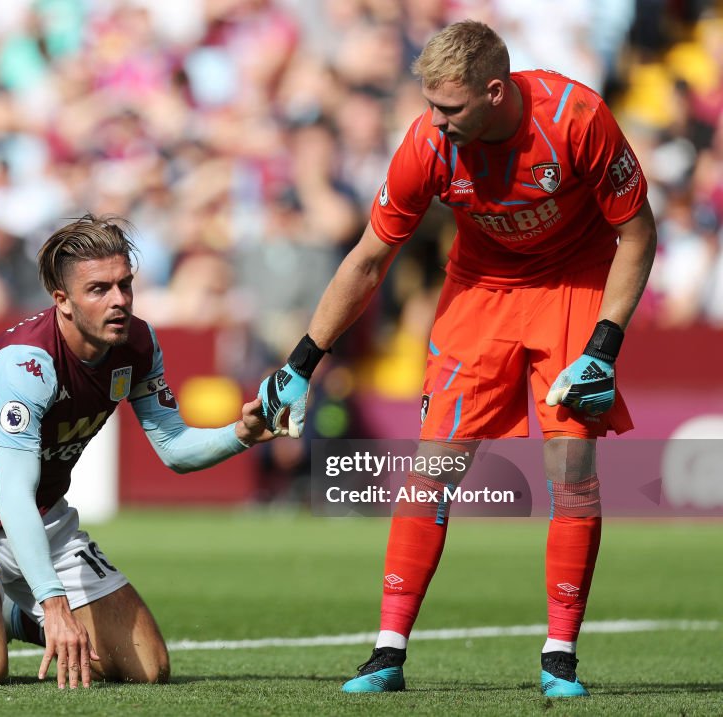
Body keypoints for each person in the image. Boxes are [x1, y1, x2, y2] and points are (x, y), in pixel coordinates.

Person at [259, 20, 656, 698]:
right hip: (480, 291)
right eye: (431, 107)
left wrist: (604, 345)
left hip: (574, 284)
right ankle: (387, 653)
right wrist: (302, 362)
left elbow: (638, 231)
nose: (435, 123)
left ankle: (559, 656)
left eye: (450, 108)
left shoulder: (578, 118)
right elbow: (368, 259)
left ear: (495, 92)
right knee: (431, 470)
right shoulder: (426, 144)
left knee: (573, 469)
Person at [0, 214, 274, 688]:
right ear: (62, 301)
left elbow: (173, 449)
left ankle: (8, 616)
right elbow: (13, 498)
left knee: (147, 668)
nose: (119, 301)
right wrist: (54, 603)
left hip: (44, 522)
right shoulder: (26, 366)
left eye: (125, 285)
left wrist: (242, 433)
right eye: (99, 289)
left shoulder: (138, 344)